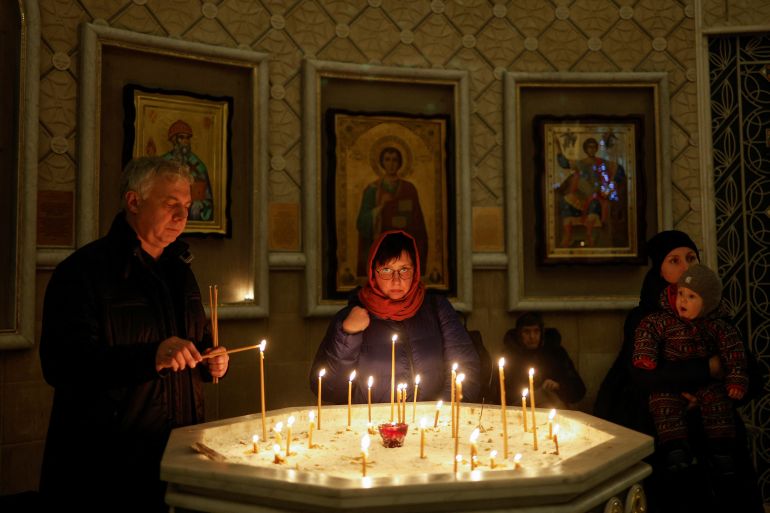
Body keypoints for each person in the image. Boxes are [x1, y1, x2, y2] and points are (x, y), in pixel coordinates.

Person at [39, 157, 229, 513]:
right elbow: (62, 366)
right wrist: (150, 357)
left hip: (176, 451)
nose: (182, 216)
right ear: (133, 201)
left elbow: (193, 343)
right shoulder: (84, 273)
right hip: (108, 465)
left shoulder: (181, 271)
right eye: (171, 204)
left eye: (186, 206)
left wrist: (209, 361)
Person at [593, 230, 763, 513]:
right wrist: (705, 369)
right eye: (674, 261)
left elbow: (750, 373)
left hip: (715, 432)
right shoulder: (645, 317)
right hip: (664, 433)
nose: (686, 267)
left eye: (691, 258)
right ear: (660, 269)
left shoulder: (717, 315)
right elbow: (641, 374)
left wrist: (719, 392)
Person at [310, 230, 480, 406]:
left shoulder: (437, 309)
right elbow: (329, 390)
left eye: (404, 269)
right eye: (386, 270)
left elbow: (466, 369)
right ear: (373, 272)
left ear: (415, 271)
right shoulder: (351, 318)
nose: (396, 280)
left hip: (431, 427)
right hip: (371, 427)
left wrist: (440, 414)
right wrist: (347, 335)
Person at [633, 264, 748, 490]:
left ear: (708, 303)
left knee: (718, 404)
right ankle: (675, 448)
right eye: (681, 295)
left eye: (691, 297)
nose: (683, 301)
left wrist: (736, 379)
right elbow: (647, 332)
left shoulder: (719, 326)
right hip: (673, 382)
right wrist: (645, 356)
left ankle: (721, 450)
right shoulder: (662, 319)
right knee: (662, 403)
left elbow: (734, 352)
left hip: (709, 385)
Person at [356, 146, 428, 277]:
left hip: (404, 248)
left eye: (395, 160)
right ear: (381, 162)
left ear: (400, 163)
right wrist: (380, 208)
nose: (391, 164)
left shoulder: (409, 189)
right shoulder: (372, 190)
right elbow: (362, 222)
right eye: (387, 159)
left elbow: (418, 223)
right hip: (382, 248)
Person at [492, 312, 586, 408]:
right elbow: (499, 392)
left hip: (554, 405)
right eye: (527, 332)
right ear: (519, 334)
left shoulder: (555, 353)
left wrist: (558, 386)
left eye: (536, 331)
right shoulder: (509, 356)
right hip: (521, 407)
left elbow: (578, 390)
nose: (532, 337)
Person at [554, 137, 626, 247]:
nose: (591, 149)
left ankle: (591, 240)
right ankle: (566, 240)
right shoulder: (580, 163)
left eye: (593, 147)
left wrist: (611, 186)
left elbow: (619, 170)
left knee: (594, 209)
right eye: (589, 147)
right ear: (585, 149)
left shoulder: (602, 163)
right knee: (566, 204)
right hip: (580, 196)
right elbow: (564, 163)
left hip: (596, 197)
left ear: (596, 149)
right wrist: (558, 146)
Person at [162, 119, 213, 221]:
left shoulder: (198, 165)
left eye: (188, 138)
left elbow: (207, 198)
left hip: (192, 209)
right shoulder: (162, 163)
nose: (186, 141)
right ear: (173, 140)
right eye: (181, 137)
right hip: (167, 207)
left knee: (196, 207)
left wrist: (199, 204)